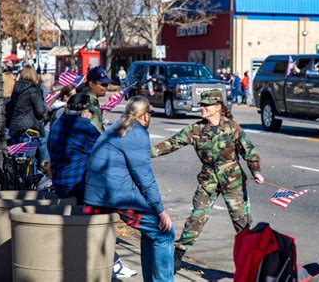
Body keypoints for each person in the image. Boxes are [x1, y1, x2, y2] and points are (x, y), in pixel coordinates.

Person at [151, 89, 265, 272]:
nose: (202, 108)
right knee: (197, 217)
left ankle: (253, 264)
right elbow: (171, 144)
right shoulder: (195, 129)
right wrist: (142, 153)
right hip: (209, 180)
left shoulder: (232, 127)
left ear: (218, 107)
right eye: (201, 105)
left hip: (232, 180)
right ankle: (177, 256)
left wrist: (256, 171)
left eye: (206, 105)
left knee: (242, 223)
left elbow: (249, 151)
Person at [84, 96, 173, 281]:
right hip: (115, 197)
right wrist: (160, 210)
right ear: (145, 115)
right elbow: (145, 178)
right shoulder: (136, 133)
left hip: (99, 193)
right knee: (164, 232)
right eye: (150, 113)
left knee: (151, 233)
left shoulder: (117, 128)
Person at [48, 93, 100, 203]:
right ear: (83, 113)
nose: (91, 114)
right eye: (90, 111)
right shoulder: (84, 128)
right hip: (76, 185)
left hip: (58, 181)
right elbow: (104, 151)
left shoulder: (57, 124)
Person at [6, 65, 46, 145]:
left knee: (17, 156)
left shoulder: (16, 88)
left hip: (15, 126)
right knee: (28, 156)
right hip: (29, 129)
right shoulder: (33, 90)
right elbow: (40, 111)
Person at [81, 66, 112, 133]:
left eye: (107, 84)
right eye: (103, 84)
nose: (106, 87)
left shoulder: (91, 98)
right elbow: (94, 131)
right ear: (92, 84)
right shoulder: (88, 101)